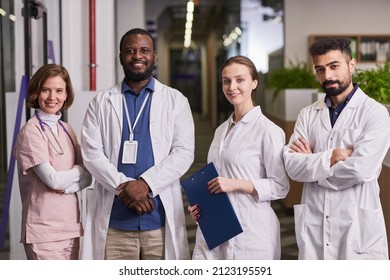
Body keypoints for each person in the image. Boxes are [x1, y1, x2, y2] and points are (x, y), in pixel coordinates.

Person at [80, 28, 194, 260]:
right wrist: (127, 189)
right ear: (121, 56)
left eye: (144, 50)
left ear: (154, 56)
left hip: (158, 220)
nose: (137, 56)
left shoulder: (175, 100)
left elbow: (183, 152)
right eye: (130, 51)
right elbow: (92, 153)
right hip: (115, 223)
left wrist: (146, 185)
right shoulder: (101, 102)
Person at [283, 37, 390, 260]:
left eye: (334, 66)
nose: (327, 76)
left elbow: (361, 169)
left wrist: (313, 164)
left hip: (357, 230)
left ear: (351, 64)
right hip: (315, 224)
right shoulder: (307, 114)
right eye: (320, 69)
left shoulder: (375, 113)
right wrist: (334, 156)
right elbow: (292, 166)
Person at [188, 55, 290, 260]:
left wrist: (236, 184)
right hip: (217, 226)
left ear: (254, 83)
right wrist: (201, 206)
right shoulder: (220, 131)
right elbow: (215, 179)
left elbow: (280, 186)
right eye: (226, 81)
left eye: (239, 79)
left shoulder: (268, 131)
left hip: (251, 231)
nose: (232, 86)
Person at [13, 64, 92, 260]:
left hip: (71, 227)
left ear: (66, 95)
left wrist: (66, 185)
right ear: (36, 92)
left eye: (59, 91)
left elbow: (89, 177)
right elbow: (53, 180)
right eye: (45, 90)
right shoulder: (31, 131)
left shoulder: (67, 129)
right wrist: (77, 171)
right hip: (43, 232)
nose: (52, 97)